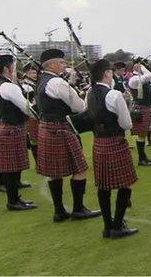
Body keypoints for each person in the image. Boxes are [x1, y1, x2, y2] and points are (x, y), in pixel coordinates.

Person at [35, 48, 101, 222]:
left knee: (54, 172)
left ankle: (59, 211)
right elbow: (79, 107)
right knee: (80, 169)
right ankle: (79, 209)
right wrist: (88, 93)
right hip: (62, 128)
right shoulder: (58, 83)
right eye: (62, 63)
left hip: (47, 127)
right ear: (53, 64)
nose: (65, 66)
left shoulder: (41, 81)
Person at [86, 59, 139, 239]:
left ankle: (107, 227)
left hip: (99, 143)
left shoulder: (89, 93)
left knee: (103, 186)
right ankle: (118, 225)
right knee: (125, 184)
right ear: (107, 74)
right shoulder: (114, 95)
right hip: (115, 142)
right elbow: (126, 124)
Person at [0, 55, 38, 211]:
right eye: (13, 65)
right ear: (6, 68)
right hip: (12, 128)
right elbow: (26, 108)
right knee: (11, 168)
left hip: (9, 127)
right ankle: (13, 201)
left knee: (12, 166)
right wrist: (36, 109)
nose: (15, 69)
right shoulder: (8, 86)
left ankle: (15, 198)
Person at [128, 63, 151, 165]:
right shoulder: (134, 79)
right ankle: (142, 158)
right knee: (141, 134)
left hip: (145, 108)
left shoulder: (141, 79)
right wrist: (143, 67)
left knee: (143, 134)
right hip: (140, 109)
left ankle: (143, 157)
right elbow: (149, 75)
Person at [21, 63, 39, 165]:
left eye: (35, 72)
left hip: (38, 113)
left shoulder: (35, 85)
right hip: (31, 115)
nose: (35, 74)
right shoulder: (25, 86)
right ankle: (38, 162)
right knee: (34, 139)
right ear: (26, 74)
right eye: (32, 73)